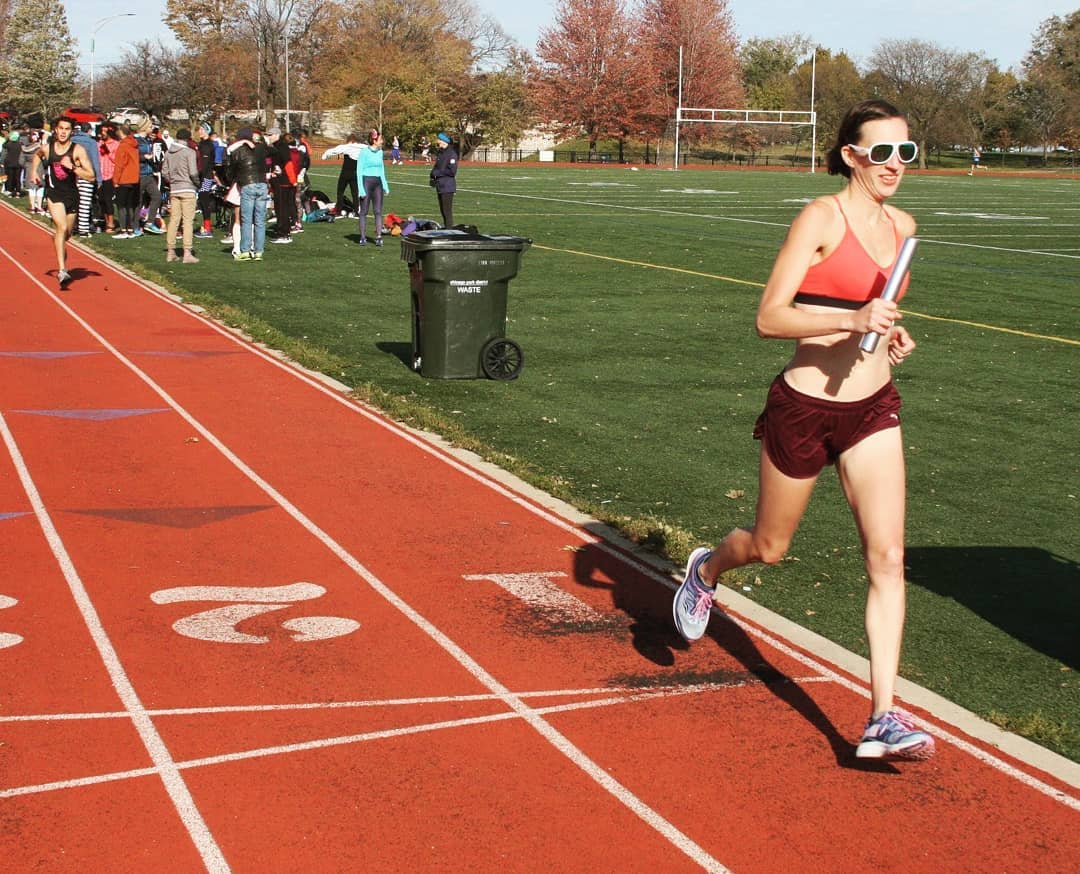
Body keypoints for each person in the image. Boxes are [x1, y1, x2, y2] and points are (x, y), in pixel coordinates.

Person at [671, 99, 934, 762]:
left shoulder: (904, 227)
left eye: (906, 152)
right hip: (804, 406)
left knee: (888, 557)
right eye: (882, 152)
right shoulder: (822, 217)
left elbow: (874, 313)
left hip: (872, 409)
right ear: (851, 155)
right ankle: (708, 568)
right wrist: (852, 322)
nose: (896, 165)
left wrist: (888, 332)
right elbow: (771, 317)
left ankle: (883, 715)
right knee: (769, 545)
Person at [28, 116, 96, 288]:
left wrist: (72, 167)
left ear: (71, 132)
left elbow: (91, 176)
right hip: (54, 194)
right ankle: (62, 270)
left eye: (67, 129)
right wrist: (34, 172)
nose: (63, 132)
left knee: (66, 235)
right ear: (56, 130)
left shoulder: (77, 150)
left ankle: (58, 239)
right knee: (61, 227)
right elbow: (37, 156)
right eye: (61, 128)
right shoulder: (48, 148)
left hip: (72, 195)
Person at [227, 127, 268, 261]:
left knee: (246, 219)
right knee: (260, 220)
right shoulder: (261, 149)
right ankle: (258, 251)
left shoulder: (238, 151)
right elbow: (272, 150)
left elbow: (230, 169)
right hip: (262, 184)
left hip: (247, 184)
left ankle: (245, 250)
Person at [161, 127, 201, 263]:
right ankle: (187, 252)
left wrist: (172, 180)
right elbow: (193, 172)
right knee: (188, 221)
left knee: (174, 220)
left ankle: (171, 251)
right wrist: (197, 184)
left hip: (174, 189)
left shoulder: (168, 152)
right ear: (188, 139)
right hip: (188, 188)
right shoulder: (189, 152)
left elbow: (164, 172)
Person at [357, 128, 390, 246]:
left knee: (378, 211)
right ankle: (362, 237)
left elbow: (381, 169)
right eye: (380, 139)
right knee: (364, 211)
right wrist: (361, 188)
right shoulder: (364, 152)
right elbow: (359, 170)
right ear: (374, 140)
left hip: (377, 184)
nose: (382, 141)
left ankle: (379, 236)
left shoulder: (380, 152)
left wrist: (385, 185)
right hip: (366, 181)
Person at [70, 123, 101, 237]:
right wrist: (99, 178)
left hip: (72, 173)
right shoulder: (91, 142)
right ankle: (83, 229)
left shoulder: (72, 140)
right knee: (85, 202)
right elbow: (95, 160)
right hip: (86, 174)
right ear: (89, 131)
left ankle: (73, 226)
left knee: (73, 201)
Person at [267, 127, 297, 244]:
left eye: (270, 135)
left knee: (282, 208)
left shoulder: (282, 146)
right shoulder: (275, 147)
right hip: (278, 181)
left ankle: (284, 233)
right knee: (280, 208)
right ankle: (283, 231)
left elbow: (288, 163)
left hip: (283, 182)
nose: (269, 137)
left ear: (276, 135)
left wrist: (292, 180)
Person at [111, 124, 141, 238]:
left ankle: (124, 230)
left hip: (124, 178)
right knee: (130, 205)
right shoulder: (133, 144)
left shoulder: (123, 146)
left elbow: (119, 164)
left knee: (121, 205)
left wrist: (115, 180)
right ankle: (130, 229)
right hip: (134, 178)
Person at [322, 133, 361, 217]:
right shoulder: (360, 148)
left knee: (340, 192)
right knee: (355, 193)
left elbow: (335, 150)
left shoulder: (347, 147)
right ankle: (356, 212)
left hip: (345, 173)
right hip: (355, 173)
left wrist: (325, 155)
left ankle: (338, 211)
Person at [430, 132, 457, 228]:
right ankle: (447, 227)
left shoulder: (451, 154)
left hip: (447, 186)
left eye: (439, 140)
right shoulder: (441, 153)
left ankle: (449, 229)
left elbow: (452, 171)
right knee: (442, 210)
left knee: (447, 211)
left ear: (444, 141)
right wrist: (432, 175)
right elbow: (437, 166)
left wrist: (438, 173)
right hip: (440, 185)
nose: (438, 142)